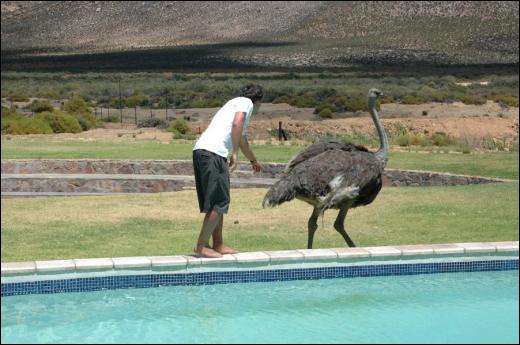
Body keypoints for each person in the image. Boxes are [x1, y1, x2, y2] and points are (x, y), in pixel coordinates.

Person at [192, 84, 264, 258]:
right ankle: (201, 245)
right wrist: (235, 154)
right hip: (213, 154)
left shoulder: (233, 103)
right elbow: (236, 124)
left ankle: (218, 244)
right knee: (219, 202)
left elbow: (241, 138)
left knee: (218, 201)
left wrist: (253, 160)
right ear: (259, 100)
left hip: (204, 151)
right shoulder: (246, 103)